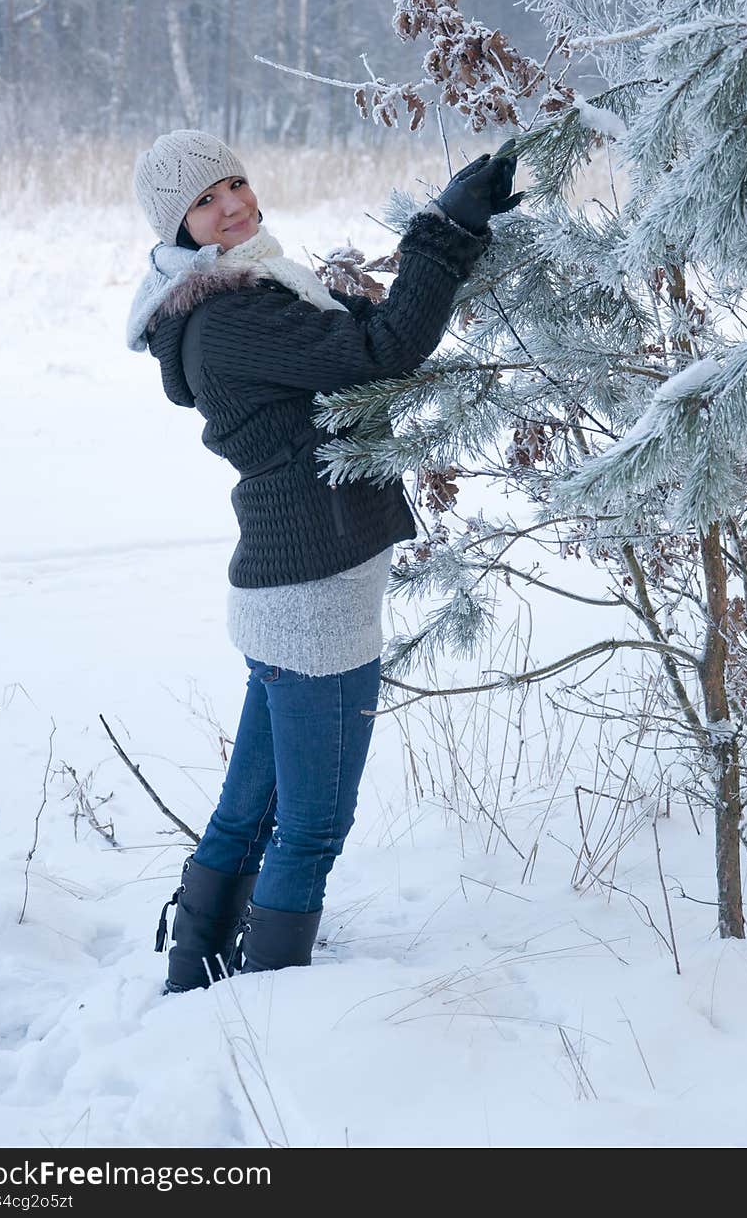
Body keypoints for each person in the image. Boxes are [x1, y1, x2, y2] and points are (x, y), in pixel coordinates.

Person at [128, 128, 521, 993]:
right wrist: (443, 234)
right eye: (206, 199)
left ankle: (195, 976)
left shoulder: (238, 291)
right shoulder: (231, 317)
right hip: (315, 596)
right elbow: (380, 351)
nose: (231, 202)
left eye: (234, 181)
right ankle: (270, 998)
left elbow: (353, 342)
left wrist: (435, 232)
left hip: (287, 584)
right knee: (312, 825)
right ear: (180, 226)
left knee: (250, 810)